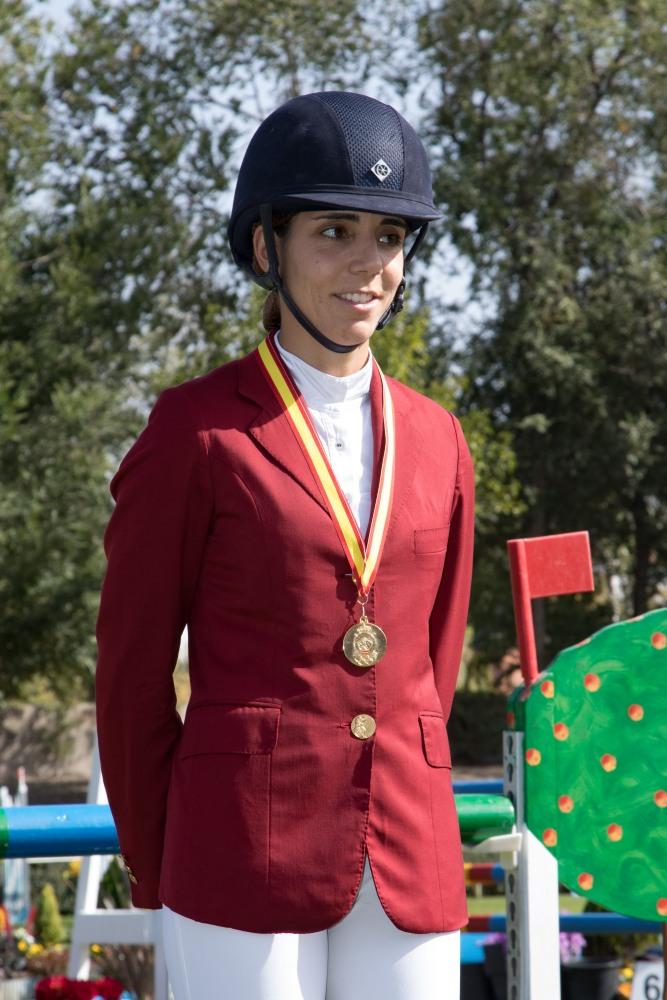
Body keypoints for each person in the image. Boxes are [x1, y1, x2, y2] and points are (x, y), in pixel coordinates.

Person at [95, 90, 475, 1000]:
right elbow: (132, 675)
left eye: (388, 238)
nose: (368, 264)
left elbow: (436, 658)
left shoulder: (440, 438)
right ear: (267, 246)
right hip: (236, 848)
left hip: (407, 849)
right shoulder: (192, 431)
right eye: (334, 231)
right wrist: (162, 861)